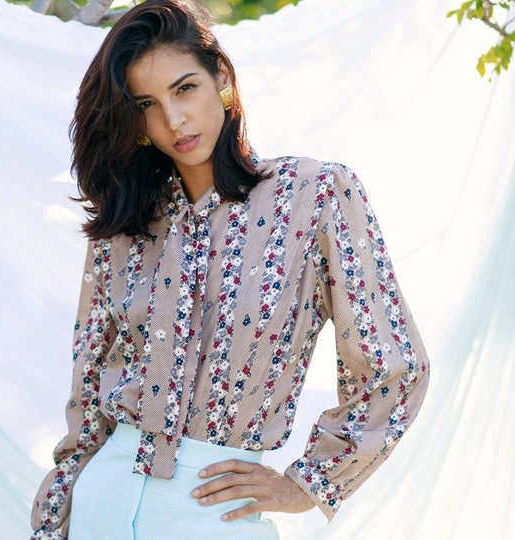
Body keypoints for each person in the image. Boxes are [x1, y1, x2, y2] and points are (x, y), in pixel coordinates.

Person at [30, 1, 429, 538]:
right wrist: (52, 523)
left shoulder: (314, 196)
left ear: (220, 76)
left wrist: (308, 484)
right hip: (102, 501)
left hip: (215, 511)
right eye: (147, 104)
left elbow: (395, 366)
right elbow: (87, 396)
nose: (174, 120)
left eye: (185, 88)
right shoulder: (126, 227)